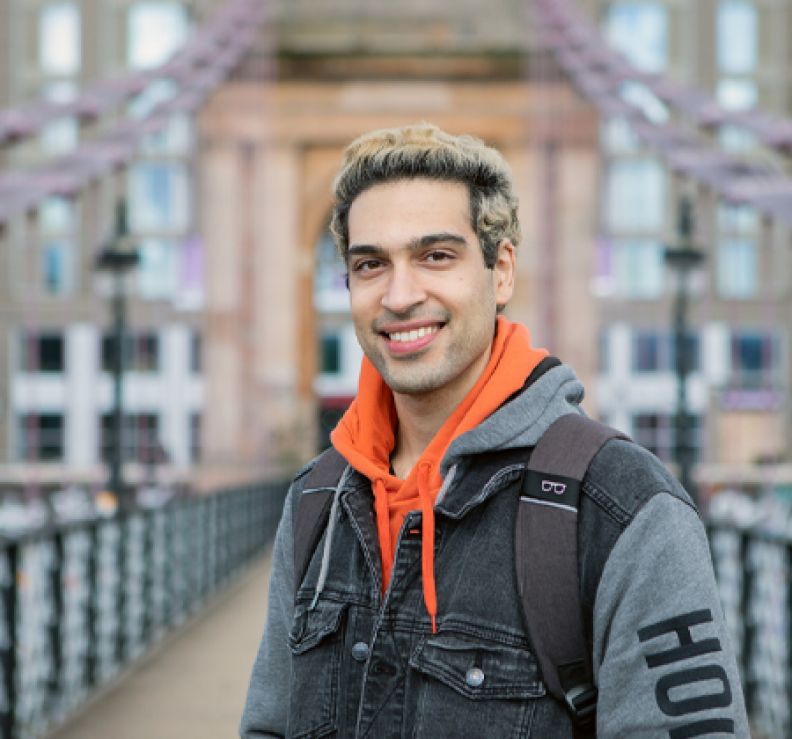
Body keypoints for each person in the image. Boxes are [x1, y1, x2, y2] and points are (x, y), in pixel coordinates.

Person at [240, 123, 748, 738]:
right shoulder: (315, 501)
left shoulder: (623, 508)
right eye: (371, 264)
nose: (400, 296)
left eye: (436, 256)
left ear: (501, 271)